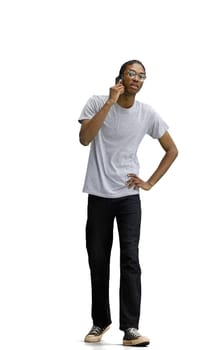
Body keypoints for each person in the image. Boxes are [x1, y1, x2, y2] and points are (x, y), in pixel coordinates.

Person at [78, 59, 178, 347]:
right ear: (120, 77)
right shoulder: (97, 102)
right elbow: (85, 139)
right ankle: (100, 322)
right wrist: (109, 102)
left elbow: (172, 150)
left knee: (130, 261)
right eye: (132, 73)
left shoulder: (147, 113)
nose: (137, 78)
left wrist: (148, 182)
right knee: (98, 259)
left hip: (128, 199)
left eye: (142, 75)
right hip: (98, 195)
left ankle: (130, 328)